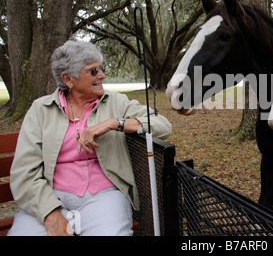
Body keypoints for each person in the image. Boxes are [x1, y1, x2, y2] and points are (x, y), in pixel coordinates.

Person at [7, 40, 172, 236]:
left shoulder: (116, 102)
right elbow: (24, 173)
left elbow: (162, 125)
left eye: (101, 68)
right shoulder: (40, 110)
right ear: (68, 79)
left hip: (104, 196)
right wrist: (50, 214)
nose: (102, 75)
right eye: (93, 71)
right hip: (50, 195)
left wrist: (113, 123)